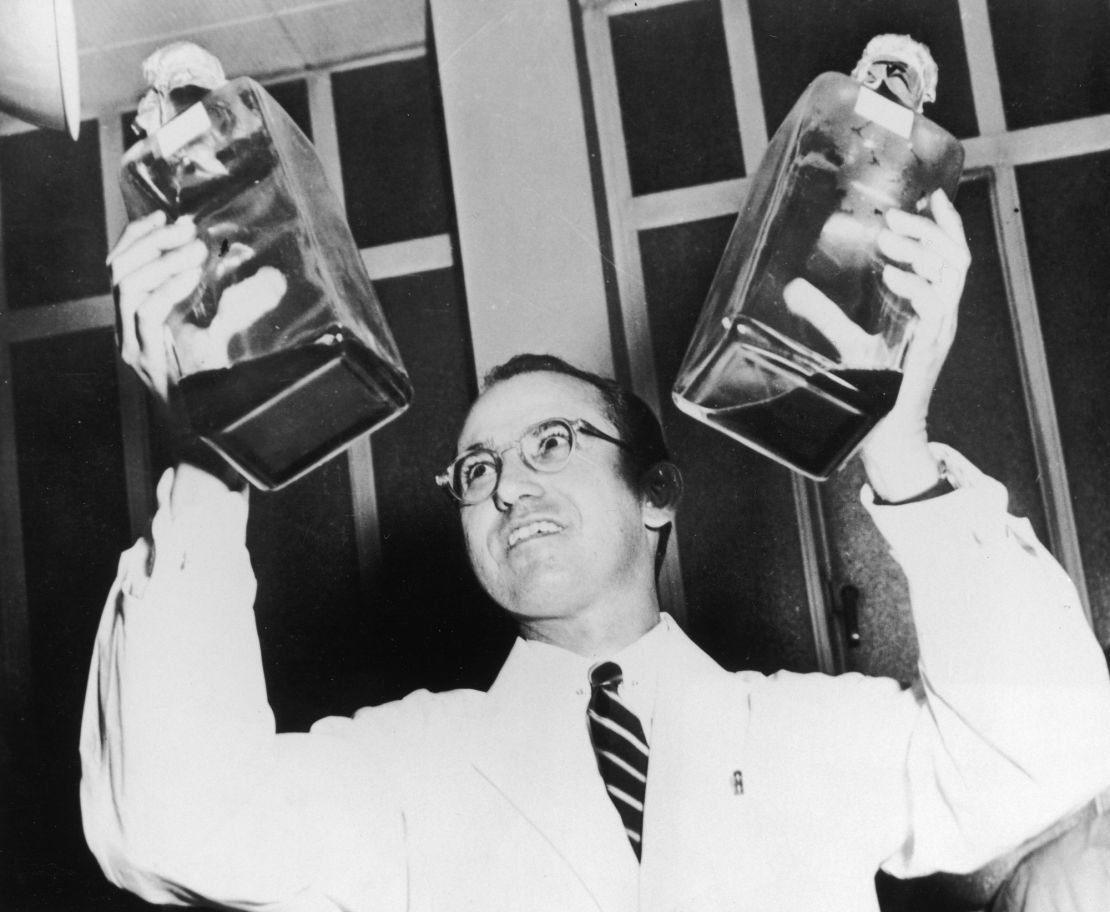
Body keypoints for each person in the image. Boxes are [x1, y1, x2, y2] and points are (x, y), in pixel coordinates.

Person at [81, 190, 1110, 912]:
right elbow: (176, 827)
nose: (508, 484)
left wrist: (895, 437)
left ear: (658, 493)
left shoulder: (805, 735)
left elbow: (1045, 751)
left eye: (552, 444)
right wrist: (215, 460)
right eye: (476, 471)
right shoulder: (409, 767)